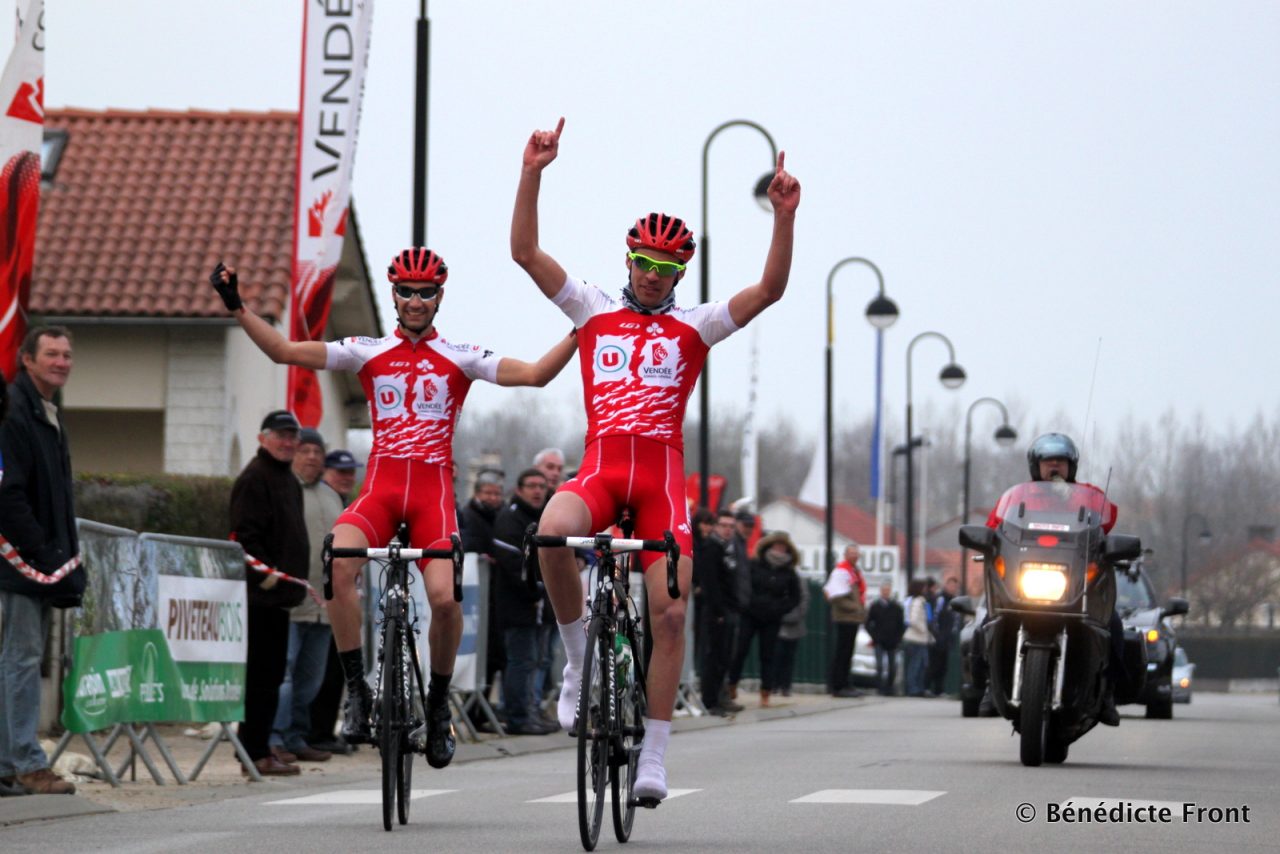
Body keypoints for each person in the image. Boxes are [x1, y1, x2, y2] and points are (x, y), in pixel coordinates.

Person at [511, 116, 800, 801]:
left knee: (669, 613)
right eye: (643, 264)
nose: (651, 277)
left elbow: (769, 292)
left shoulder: (694, 324)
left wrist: (782, 218)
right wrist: (533, 172)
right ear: (628, 261)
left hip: (662, 482)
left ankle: (655, 758)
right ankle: (579, 663)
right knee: (551, 531)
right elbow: (525, 252)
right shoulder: (590, 308)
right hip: (602, 471)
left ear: (680, 273)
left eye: (666, 269)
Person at [210, 249, 578, 769]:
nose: (415, 301)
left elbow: (536, 374)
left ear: (439, 297)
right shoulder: (366, 351)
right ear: (394, 294)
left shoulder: (460, 355)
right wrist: (237, 307)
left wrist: (580, 330)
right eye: (406, 291)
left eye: (426, 292)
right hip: (379, 494)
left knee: (446, 602)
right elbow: (282, 351)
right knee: (339, 561)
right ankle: (358, 691)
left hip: (432, 499)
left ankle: (436, 702)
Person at [983, 432, 1124, 726]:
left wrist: (1073, 499)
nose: (1055, 468)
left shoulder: (1087, 496)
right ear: (1036, 467)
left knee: (1113, 623)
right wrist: (987, 541)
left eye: (1061, 462)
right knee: (987, 616)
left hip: (1072, 579)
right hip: (1025, 577)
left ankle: (1108, 691)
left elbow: (1107, 518)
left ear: (1072, 467)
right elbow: (994, 526)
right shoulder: (1018, 497)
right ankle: (987, 683)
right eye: (1049, 462)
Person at [0, 326, 82, 796]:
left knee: (18, 659)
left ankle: (10, 762)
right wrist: (42, 551)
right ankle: (26, 763)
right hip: (18, 563)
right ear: (27, 359)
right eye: (51, 353)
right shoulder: (15, 412)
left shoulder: (47, 412)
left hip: (39, 562)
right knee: (21, 659)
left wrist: (62, 556)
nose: (61, 362)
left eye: (67, 354)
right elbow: (8, 494)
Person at [230, 409, 310, 776]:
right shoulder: (254, 478)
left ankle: (260, 748)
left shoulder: (288, 480)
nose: (288, 442)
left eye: (293, 436)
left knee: (273, 675)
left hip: (281, 598)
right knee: (262, 677)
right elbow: (245, 538)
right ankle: (254, 751)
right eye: (281, 435)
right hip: (260, 597)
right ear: (263, 438)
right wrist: (269, 579)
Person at [270, 428, 344, 763]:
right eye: (305, 450)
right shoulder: (281, 489)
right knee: (281, 675)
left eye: (318, 450)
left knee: (310, 680)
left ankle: (297, 737)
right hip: (290, 603)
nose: (312, 456)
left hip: (325, 606)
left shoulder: (331, 496)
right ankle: (272, 738)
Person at [491, 468, 559, 735]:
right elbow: (513, 564)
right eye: (531, 485)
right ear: (519, 489)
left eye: (541, 486)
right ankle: (518, 717)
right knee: (520, 661)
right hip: (518, 606)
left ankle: (532, 710)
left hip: (542, 607)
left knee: (538, 661)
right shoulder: (509, 519)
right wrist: (537, 589)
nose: (537, 490)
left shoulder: (545, 517)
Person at [307, 448, 362, 754]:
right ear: (326, 472)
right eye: (340, 472)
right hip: (321, 596)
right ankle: (314, 732)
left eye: (351, 472)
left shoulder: (345, 502)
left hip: (342, 597)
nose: (347, 477)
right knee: (320, 670)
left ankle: (325, 731)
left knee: (336, 668)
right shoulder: (323, 498)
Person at [727, 532, 802, 708]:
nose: (779, 549)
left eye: (782, 547)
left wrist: (780, 609)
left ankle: (765, 692)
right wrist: (747, 604)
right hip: (750, 614)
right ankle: (731, 684)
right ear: (769, 547)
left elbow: (795, 597)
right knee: (740, 651)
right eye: (776, 546)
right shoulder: (755, 565)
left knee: (768, 656)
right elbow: (744, 585)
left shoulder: (789, 572)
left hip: (772, 618)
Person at [823, 542, 867, 698]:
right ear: (846, 555)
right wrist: (855, 607)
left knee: (848, 652)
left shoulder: (853, 571)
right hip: (845, 617)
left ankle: (846, 683)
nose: (855, 556)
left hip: (852, 618)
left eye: (856, 553)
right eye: (852, 553)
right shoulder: (842, 571)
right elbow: (835, 596)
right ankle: (838, 685)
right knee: (842, 652)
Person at [773, 561, 810, 697]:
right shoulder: (777, 577)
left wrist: (798, 614)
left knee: (789, 657)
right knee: (776, 656)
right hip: (779, 623)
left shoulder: (800, 579)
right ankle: (774, 685)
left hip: (795, 624)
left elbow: (805, 598)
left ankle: (786, 686)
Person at [865, 583, 905, 696]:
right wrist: (874, 636)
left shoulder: (896, 607)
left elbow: (901, 625)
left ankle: (889, 687)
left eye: (888, 590)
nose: (886, 592)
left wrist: (898, 638)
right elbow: (868, 622)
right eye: (884, 590)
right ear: (881, 591)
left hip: (892, 641)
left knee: (892, 666)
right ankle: (880, 688)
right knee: (879, 665)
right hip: (879, 640)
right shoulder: (875, 606)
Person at [901, 578, 934, 697]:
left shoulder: (920, 601)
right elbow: (914, 620)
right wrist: (924, 630)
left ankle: (919, 687)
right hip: (915, 638)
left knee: (922, 665)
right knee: (915, 665)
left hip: (920, 639)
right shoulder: (918, 602)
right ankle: (913, 688)